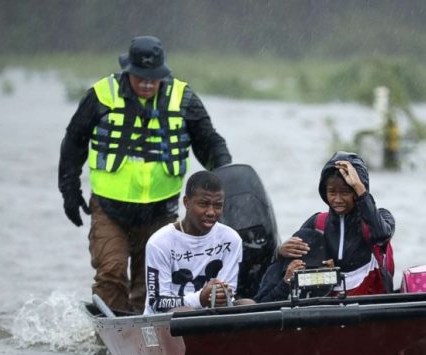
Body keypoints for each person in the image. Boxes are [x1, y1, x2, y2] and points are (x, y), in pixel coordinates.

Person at [58, 35, 232, 313]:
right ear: (129, 71)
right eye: (141, 77)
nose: (148, 83)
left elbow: (209, 142)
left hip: (160, 212)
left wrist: (226, 175)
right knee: (111, 272)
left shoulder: (184, 98)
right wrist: (69, 190)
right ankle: (108, 342)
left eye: (154, 77)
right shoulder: (102, 94)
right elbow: (74, 142)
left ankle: (142, 338)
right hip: (109, 209)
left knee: (150, 285)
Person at [278, 151, 395, 295]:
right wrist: (280, 252)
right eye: (332, 192)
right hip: (329, 304)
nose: (338, 200)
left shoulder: (380, 218)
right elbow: (289, 268)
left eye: (345, 192)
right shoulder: (316, 223)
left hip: (370, 303)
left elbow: (381, 235)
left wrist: (359, 187)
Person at [144, 171, 242, 314]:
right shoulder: (159, 243)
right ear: (186, 202)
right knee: (185, 311)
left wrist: (221, 295)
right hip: (168, 320)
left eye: (218, 205)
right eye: (203, 204)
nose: (211, 212)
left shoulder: (231, 239)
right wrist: (200, 299)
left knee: (247, 304)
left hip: (212, 318)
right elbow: (157, 303)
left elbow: (227, 298)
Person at [253, 228, 329, 303]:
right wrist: (285, 284)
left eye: (311, 267)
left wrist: (328, 282)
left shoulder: (324, 273)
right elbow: (261, 305)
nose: (304, 270)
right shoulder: (276, 271)